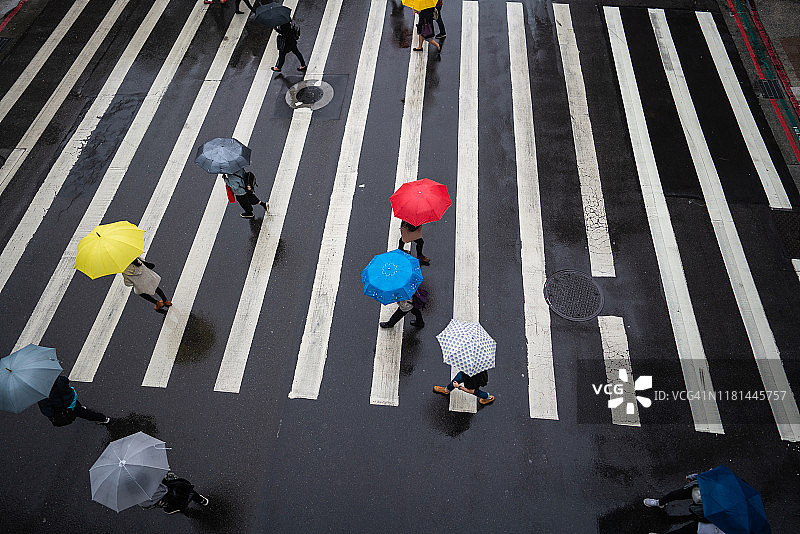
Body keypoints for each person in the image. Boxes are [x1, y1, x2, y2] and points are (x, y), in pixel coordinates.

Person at [644, 473, 726, 534]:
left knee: (683, 532)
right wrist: (695, 477)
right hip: (698, 492)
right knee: (675, 494)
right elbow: (711, 475)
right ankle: (660, 503)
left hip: (705, 523)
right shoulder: (729, 484)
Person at [38, 375, 110, 425]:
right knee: (78, 406)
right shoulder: (56, 379)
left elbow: (47, 411)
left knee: (85, 414)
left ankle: (103, 419)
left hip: (66, 407)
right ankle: (82, 408)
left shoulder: (42, 394)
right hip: (71, 397)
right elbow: (66, 380)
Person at [139, 472, 209, 514]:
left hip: (168, 500)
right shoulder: (149, 474)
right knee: (189, 492)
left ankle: (189, 512)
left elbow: (149, 506)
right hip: (175, 488)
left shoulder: (140, 499)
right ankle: (202, 500)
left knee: (180, 506)